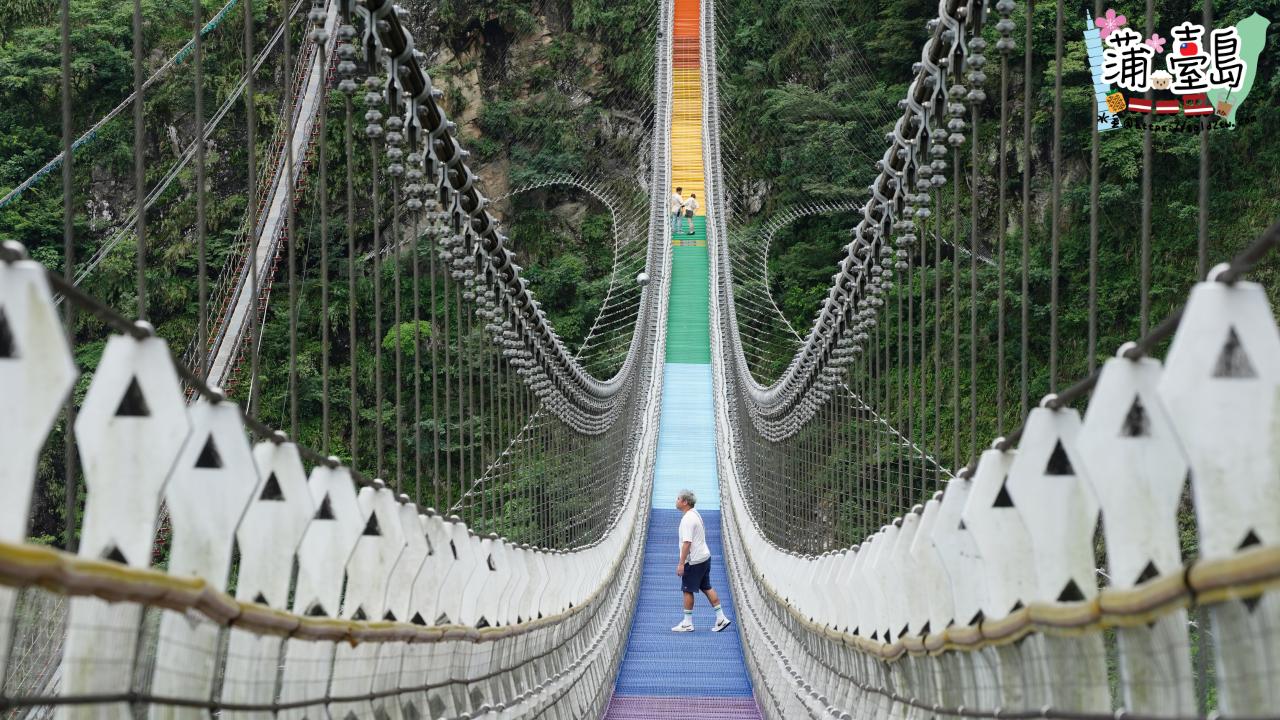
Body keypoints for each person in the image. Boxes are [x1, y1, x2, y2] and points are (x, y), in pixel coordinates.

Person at [672, 489, 732, 632]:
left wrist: (681, 564)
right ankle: (721, 618)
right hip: (704, 557)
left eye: (678, 498)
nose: (676, 500)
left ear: (685, 502)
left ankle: (687, 623)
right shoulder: (695, 514)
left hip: (694, 561)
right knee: (706, 586)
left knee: (687, 589)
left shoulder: (687, 519)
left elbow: (687, 543)